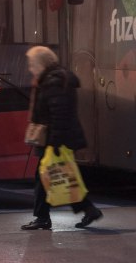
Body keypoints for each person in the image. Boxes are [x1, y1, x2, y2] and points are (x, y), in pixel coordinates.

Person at [21, 46, 103, 231]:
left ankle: (43, 218)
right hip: (56, 138)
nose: (30, 68)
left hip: (56, 139)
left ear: (42, 64)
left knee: (46, 177)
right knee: (63, 177)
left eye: (32, 64)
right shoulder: (53, 79)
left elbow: (60, 114)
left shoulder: (54, 82)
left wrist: (55, 143)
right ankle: (88, 210)